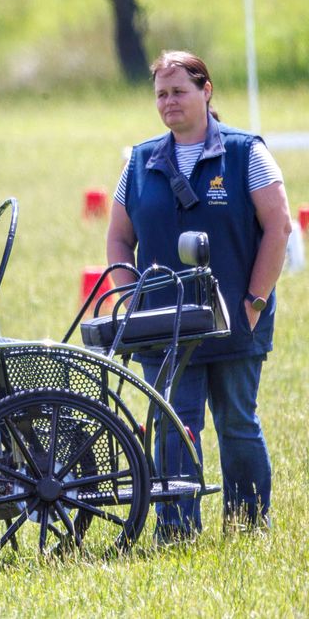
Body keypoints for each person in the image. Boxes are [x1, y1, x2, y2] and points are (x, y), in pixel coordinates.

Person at [106, 50, 290, 540]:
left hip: (235, 320)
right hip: (163, 327)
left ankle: (248, 525)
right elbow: (119, 239)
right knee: (172, 428)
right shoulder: (140, 161)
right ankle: (176, 530)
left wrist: (253, 302)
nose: (169, 102)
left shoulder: (245, 152)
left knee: (237, 425)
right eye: (161, 94)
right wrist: (133, 303)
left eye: (179, 91)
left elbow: (279, 228)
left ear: (206, 90)